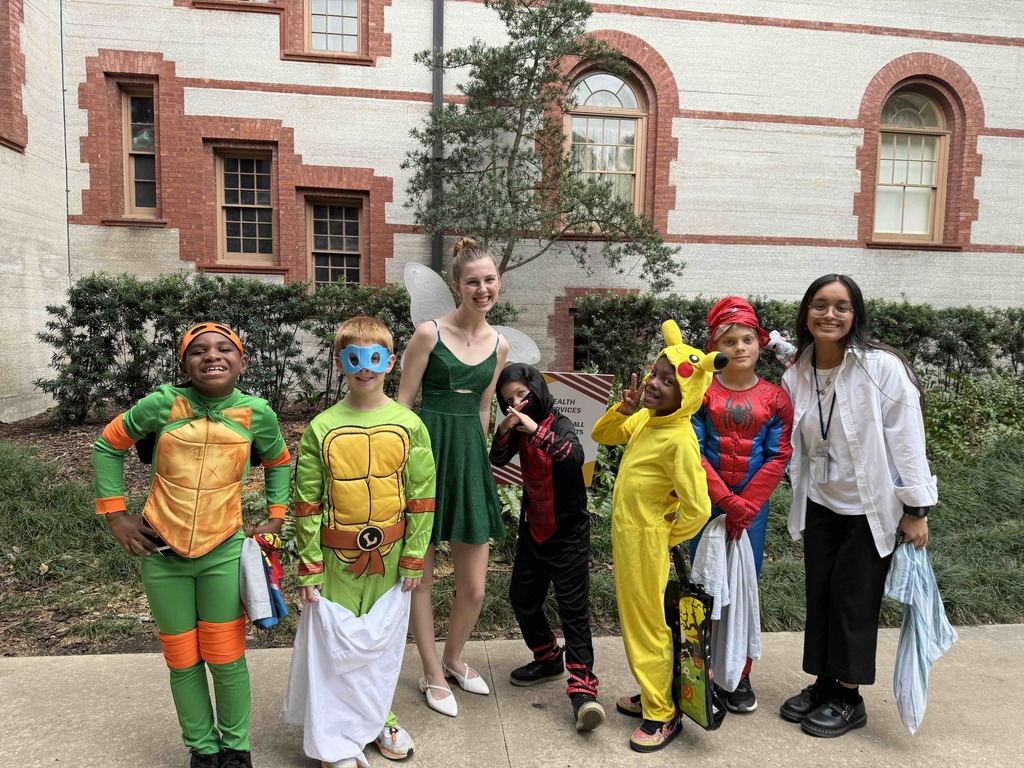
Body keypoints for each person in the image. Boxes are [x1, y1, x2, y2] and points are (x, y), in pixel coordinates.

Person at [92, 322, 291, 768]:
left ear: (241, 362)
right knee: (182, 659)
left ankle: (236, 749)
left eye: (224, 349)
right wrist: (115, 515)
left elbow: (278, 460)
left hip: (221, 550)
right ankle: (202, 750)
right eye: (198, 351)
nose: (212, 356)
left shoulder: (257, 411)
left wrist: (276, 516)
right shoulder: (164, 403)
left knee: (225, 658)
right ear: (185, 364)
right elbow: (108, 445)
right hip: (161, 553)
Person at [778, 274, 935, 738]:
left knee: (853, 601)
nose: (830, 315)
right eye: (820, 305)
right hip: (821, 502)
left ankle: (849, 697)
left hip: (873, 509)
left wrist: (916, 509)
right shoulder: (796, 373)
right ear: (806, 313)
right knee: (821, 596)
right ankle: (823, 683)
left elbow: (907, 440)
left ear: (855, 315)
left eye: (841, 307)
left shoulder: (881, 368)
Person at [292, 315, 436, 767]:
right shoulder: (322, 428)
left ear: (390, 362)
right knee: (339, 645)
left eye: (375, 357)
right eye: (355, 358)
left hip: (392, 557)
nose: (365, 367)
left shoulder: (409, 424)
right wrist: (310, 563)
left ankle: (378, 718)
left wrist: (414, 556)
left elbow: (422, 496)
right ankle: (335, 733)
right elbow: (308, 501)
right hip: (336, 558)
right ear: (341, 364)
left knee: (381, 645)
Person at [592, 319, 725, 753]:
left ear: (687, 393)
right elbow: (602, 435)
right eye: (655, 373)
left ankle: (661, 714)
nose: (655, 383)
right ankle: (657, 691)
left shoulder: (679, 441)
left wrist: (667, 535)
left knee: (646, 624)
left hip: (646, 542)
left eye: (669, 381)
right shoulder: (649, 418)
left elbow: (700, 506)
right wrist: (625, 409)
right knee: (643, 620)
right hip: (632, 539)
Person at [397, 237, 509, 717]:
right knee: (419, 578)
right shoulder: (428, 334)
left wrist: (479, 463)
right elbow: (402, 403)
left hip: (468, 462)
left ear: (496, 284)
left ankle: (455, 658)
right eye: (472, 281)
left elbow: (484, 408)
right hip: (424, 457)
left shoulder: (500, 344)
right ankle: (431, 672)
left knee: (475, 587)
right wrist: (402, 468)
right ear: (456, 285)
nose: (481, 289)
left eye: (489, 280)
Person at [689, 297, 794, 713]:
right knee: (705, 585)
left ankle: (741, 674)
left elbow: (778, 454)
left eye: (747, 338)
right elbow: (692, 451)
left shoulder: (776, 399)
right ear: (716, 346)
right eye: (729, 340)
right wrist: (726, 501)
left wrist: (746, 505)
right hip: (707, 503)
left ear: (760, 342)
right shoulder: (700, 394)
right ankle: (703, 671)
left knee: (745, 584)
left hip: (753, 509)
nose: (740, 347)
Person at [489, 363, 605, 732]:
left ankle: (584, 691)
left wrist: (533, 428)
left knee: (573, 611)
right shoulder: (516, 426)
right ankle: (548, 657)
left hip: (568, 535)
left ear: (537, 391)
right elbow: (497, 459)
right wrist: (505, 429)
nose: (517, 403)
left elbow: (572, 458)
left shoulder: (559, 423)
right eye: (509, 400)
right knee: (523, 597)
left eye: (522, 395)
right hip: (534, 531)